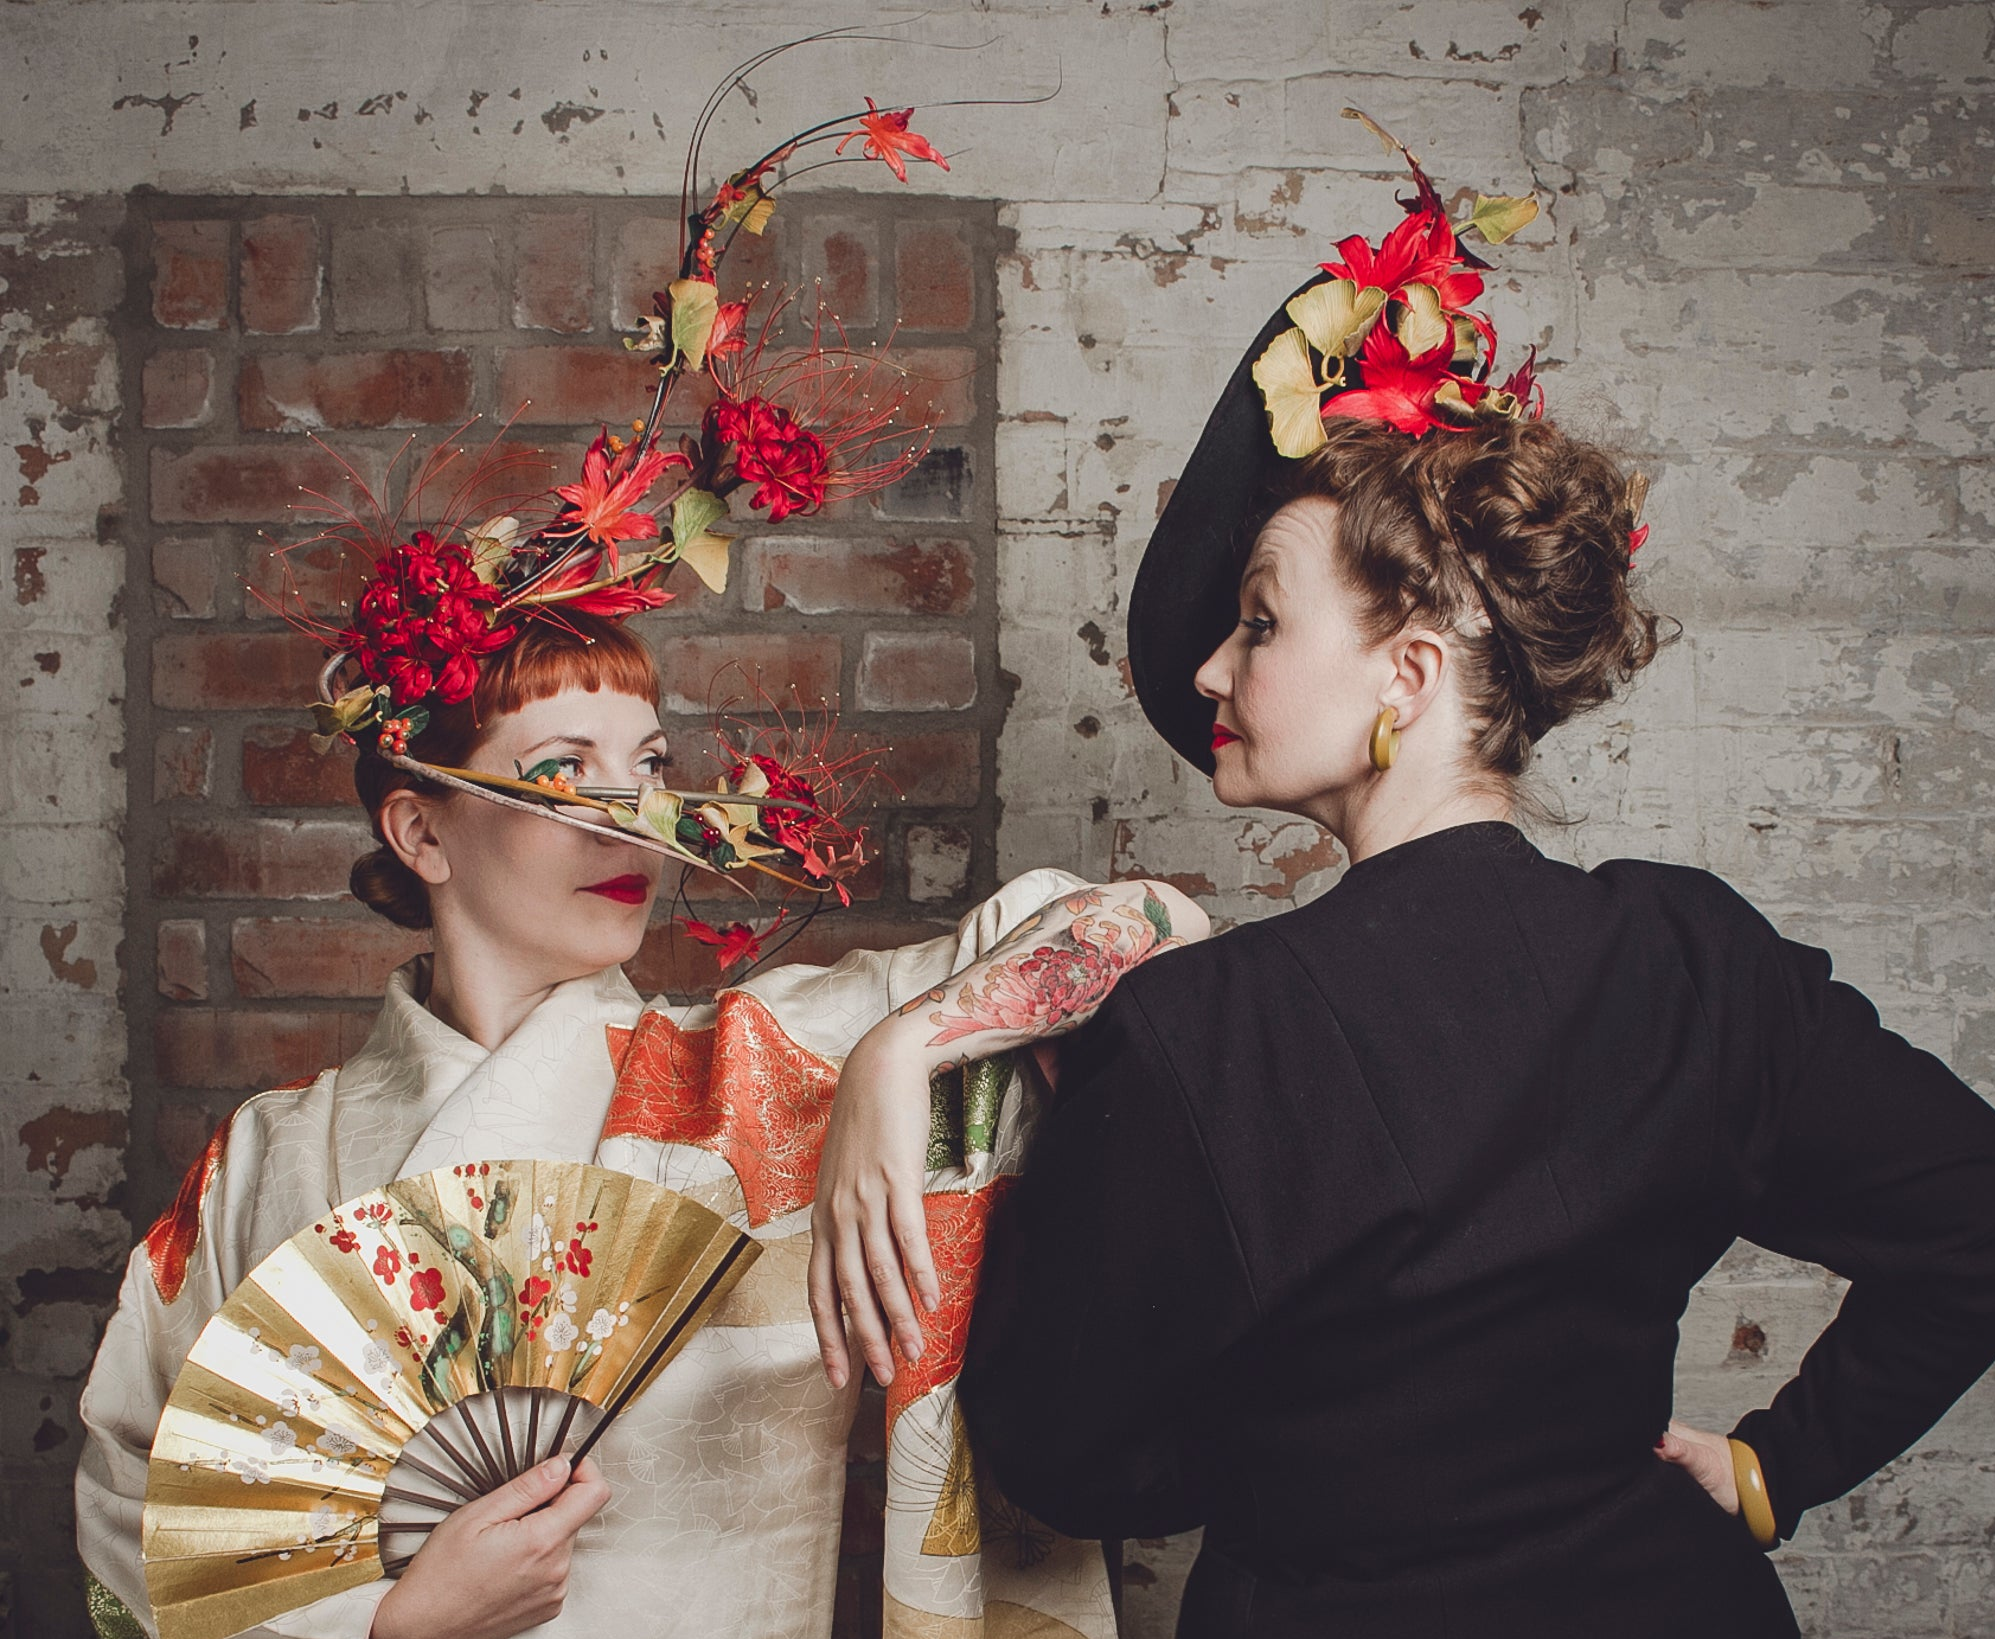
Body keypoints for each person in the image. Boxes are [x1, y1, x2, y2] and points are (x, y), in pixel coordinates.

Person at [77, 64, 1204, 1637]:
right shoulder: (274, 1161)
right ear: (423, 825)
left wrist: (907, 1051)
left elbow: (1147, 921)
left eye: (655, 768)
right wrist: (403, 1623)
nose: (642, 823)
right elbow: (149, 1526)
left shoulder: (761, 1072)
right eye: (563, 772)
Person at [944, 148, 1995, 1637]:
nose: (1212, 667)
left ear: (1409, 673)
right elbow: (1992, 1213)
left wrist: (1274, 1445)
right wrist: (1774, 1466)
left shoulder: (1209, 1035)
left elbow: (1057, 1447)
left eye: (1258, 620)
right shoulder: (1692, 964)